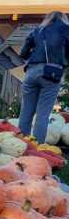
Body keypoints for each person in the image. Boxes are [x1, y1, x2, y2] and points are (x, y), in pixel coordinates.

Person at [18, 11, 69, 142]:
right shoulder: (66, 29)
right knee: (42, 115)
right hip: (52, 72)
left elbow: (23, 53)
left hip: (31, 71)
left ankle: (20, 143)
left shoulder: (37, 30)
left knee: (26, 112)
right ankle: (37, 146)